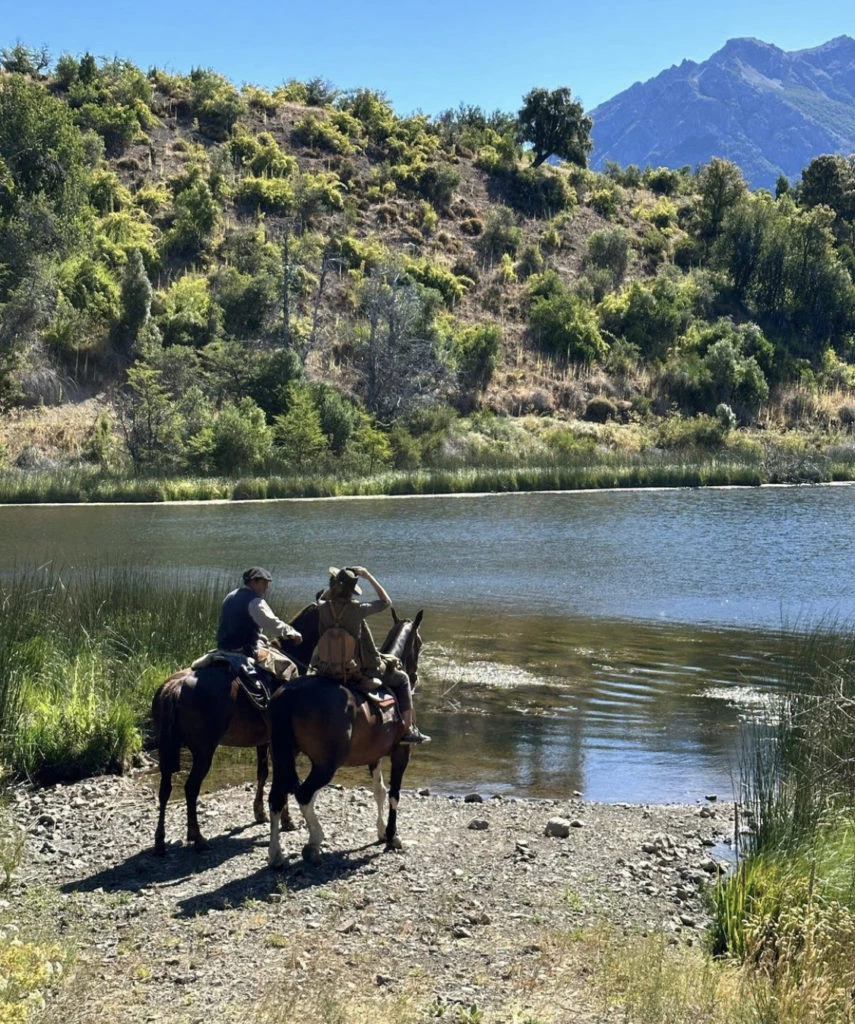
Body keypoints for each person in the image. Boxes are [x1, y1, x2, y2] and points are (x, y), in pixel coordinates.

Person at [311, 565, 430, 744]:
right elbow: (386, 602)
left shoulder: (321, 607)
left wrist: (337, 583)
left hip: (325, 668)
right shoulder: (358, 609)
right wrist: (367, 576)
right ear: (352, 592)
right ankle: (408, 729)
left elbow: (321, 597)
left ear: (333, 585)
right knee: (403, 679)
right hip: (354, 670)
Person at [217, 567, 302, 683]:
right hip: (244, 651)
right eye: (264, 583)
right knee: (290, 667)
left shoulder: (230, 596)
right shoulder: (255, 602)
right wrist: (291, 633)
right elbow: (272, 624)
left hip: (223, 648)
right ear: (253, 582)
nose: (266, 587)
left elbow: (237, 623)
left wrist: (258, 636)